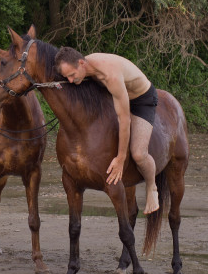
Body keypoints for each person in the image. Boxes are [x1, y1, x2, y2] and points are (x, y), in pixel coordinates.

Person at [54, 47, 159, 214]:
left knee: (139, 153)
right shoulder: (81, 68)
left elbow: (124, 121)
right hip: (115, 97)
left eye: (72, 75)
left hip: (141, 100)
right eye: (67, 77)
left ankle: (152, 187)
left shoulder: (111, 76)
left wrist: (120, 158)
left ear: (82, 63)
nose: (71, 80)